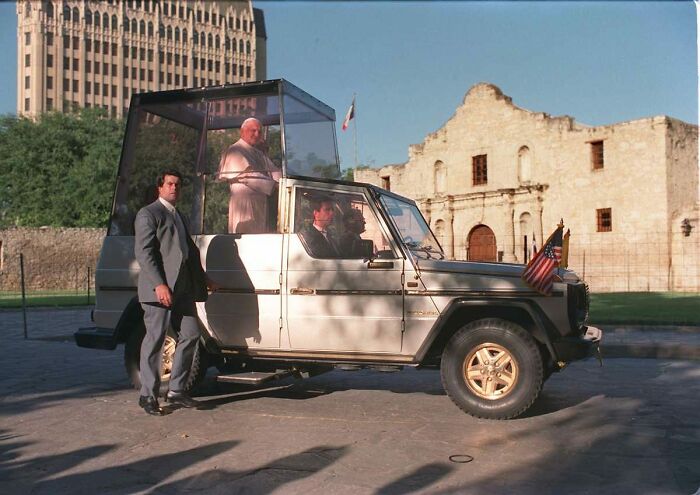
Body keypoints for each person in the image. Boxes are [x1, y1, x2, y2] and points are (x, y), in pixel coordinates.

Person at [134, 169, 210, 416]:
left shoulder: (180, 216)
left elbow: (187, 251)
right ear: (160, 187)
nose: (174, 188)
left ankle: (176, 390)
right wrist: (159, 284)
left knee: (191, 334)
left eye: (177, 184)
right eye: (169, 184)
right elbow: (144, 253)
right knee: (155, 340)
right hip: (160, 290)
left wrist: (204, 278)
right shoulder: (148, 214)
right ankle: (147, 395)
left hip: (183, 288)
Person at [217, 117, 281, 234]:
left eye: (259, 132)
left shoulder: (257, 152)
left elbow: (273, 171)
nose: (257, 134)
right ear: (242, 132)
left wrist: (284, 182)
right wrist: (274, 185)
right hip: (244, 205)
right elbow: (247, 175)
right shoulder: (235, 150)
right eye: (253, 131)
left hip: (260, 204)